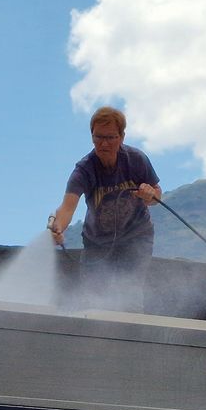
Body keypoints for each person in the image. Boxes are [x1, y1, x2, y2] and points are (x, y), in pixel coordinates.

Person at [47, 106, 160, 309]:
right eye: (98, 137)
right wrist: (58, 228)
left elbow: (157, 195)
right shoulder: (84, 170)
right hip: (97, 243)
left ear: (122, 137)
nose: (104, 144)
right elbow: (67, 207)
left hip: (136, 236)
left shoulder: (136, 160)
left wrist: (149, 194)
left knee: (130, 291)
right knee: (93, 296)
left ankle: (131, 326)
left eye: (110, 138)